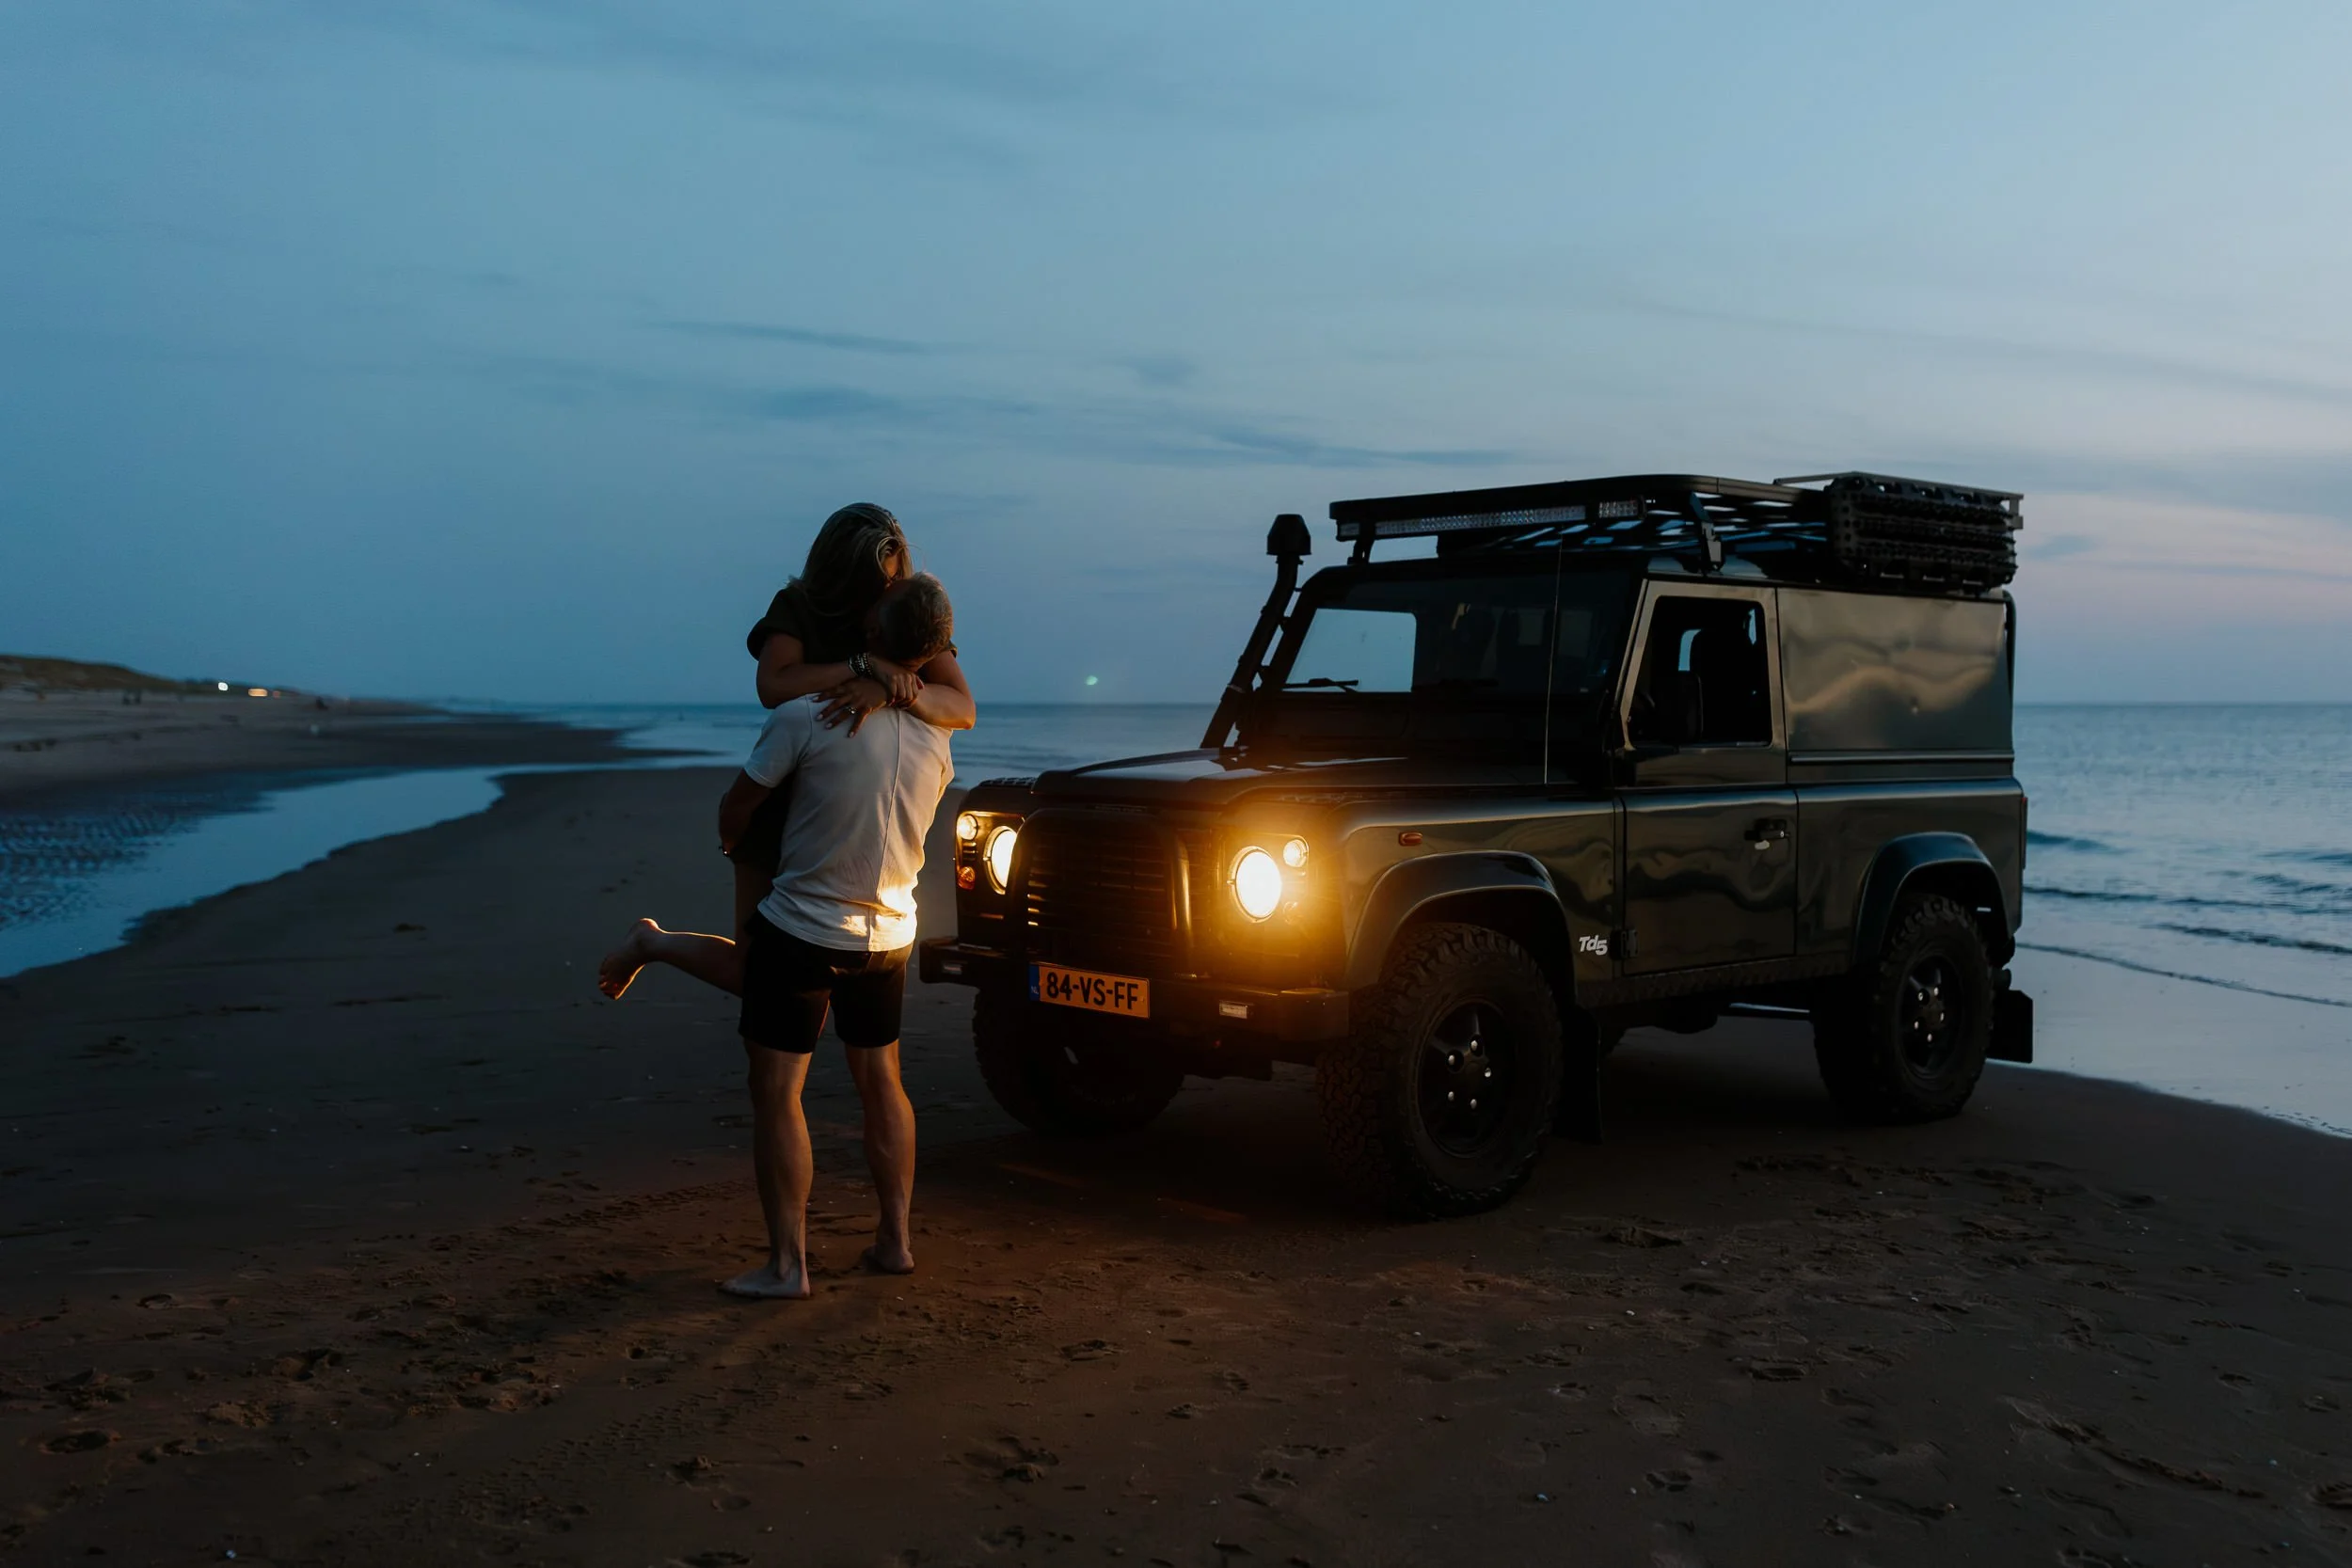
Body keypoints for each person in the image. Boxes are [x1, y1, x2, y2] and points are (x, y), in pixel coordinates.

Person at [604, 575, 962, 1300]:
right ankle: (893, 1241)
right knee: (881, 1082)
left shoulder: (807, 716)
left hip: (803, 927)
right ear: (929, 657)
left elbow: (734, 810)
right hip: (889, 932)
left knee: (776, 1092)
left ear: (869, 640)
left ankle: (787, 1265)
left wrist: (744, 848)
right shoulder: (941, 736)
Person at [729, 502, 972, 943]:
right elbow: (774, 685)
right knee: (757, 968)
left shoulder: (903, 610)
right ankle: (652, 942)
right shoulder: (800, 606)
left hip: (839, 822)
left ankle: (653, 943)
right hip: (782, 802)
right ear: (840, 572)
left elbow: (961, 707)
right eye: (875, 581)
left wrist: (890, 691)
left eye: (894, 579)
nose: (885, 590)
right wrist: (864, 664)